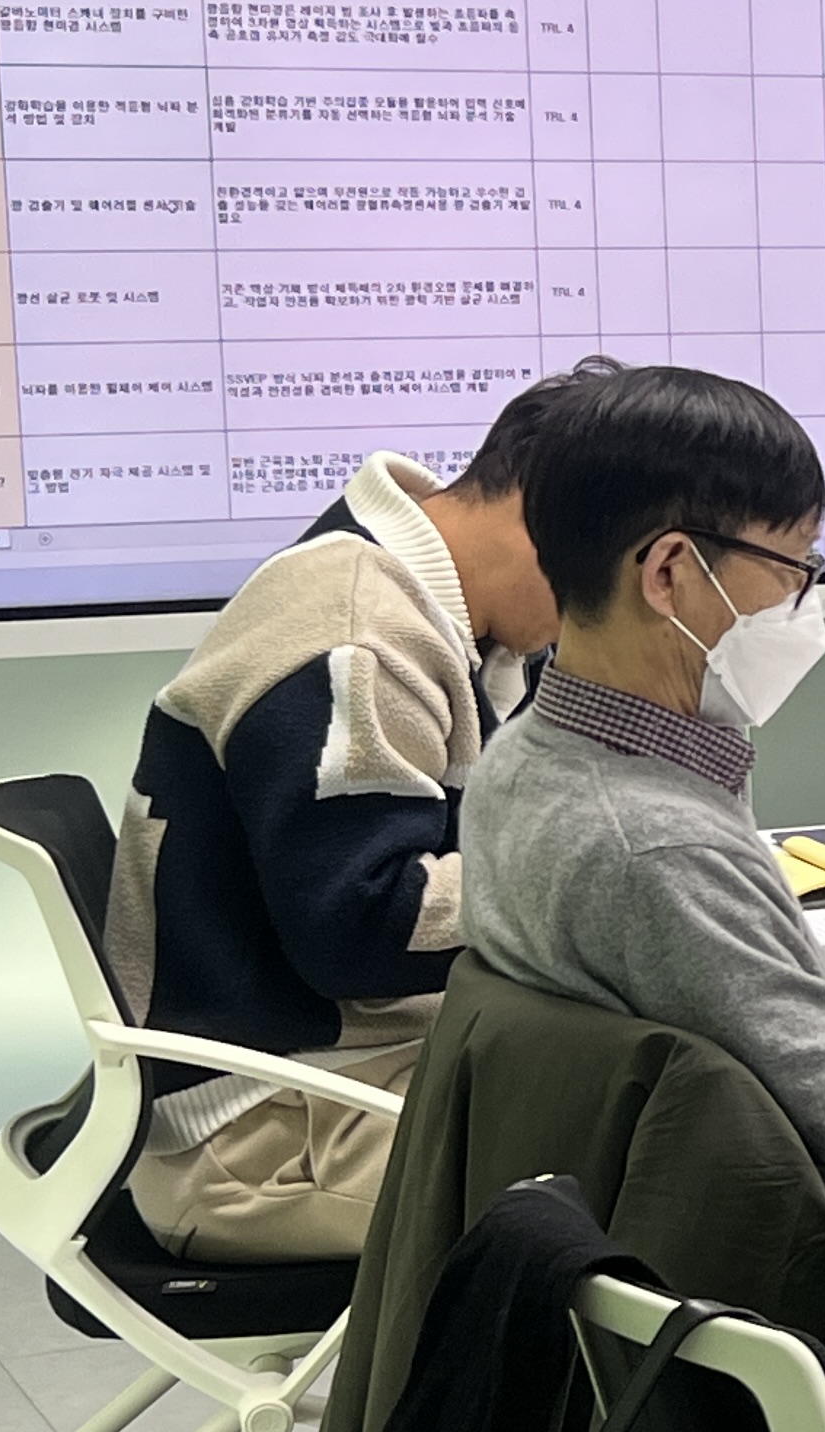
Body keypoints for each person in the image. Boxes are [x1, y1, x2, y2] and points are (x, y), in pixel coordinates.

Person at [103, 363, 587, 1261]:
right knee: (685, 1189)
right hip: (267, 1132)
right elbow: (362, 928)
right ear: (550, 517)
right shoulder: (360, 635)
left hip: (356, 1069)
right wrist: (585, 881)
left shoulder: (441, 607)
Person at [457, 364, 825, 1162]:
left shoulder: (523, 758)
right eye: (794, 567)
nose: (803, 598)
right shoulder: (656, 850)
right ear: (669, 572)